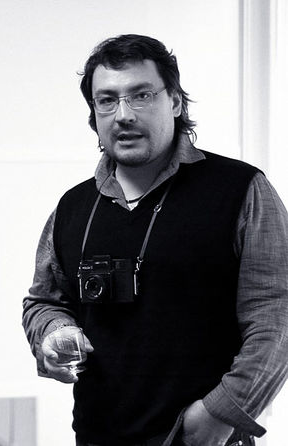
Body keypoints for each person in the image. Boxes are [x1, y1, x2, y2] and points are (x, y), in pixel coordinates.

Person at [21, 34, 288, 446]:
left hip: (198, 437)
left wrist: (221, 413)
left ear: (176, 102)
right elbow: (44, 301)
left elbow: (276, 314)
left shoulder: (240, 190)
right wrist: (55, 333)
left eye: (141, 95)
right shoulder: (73, 207)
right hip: (96, 436)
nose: (123, 114)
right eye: (107, 100)